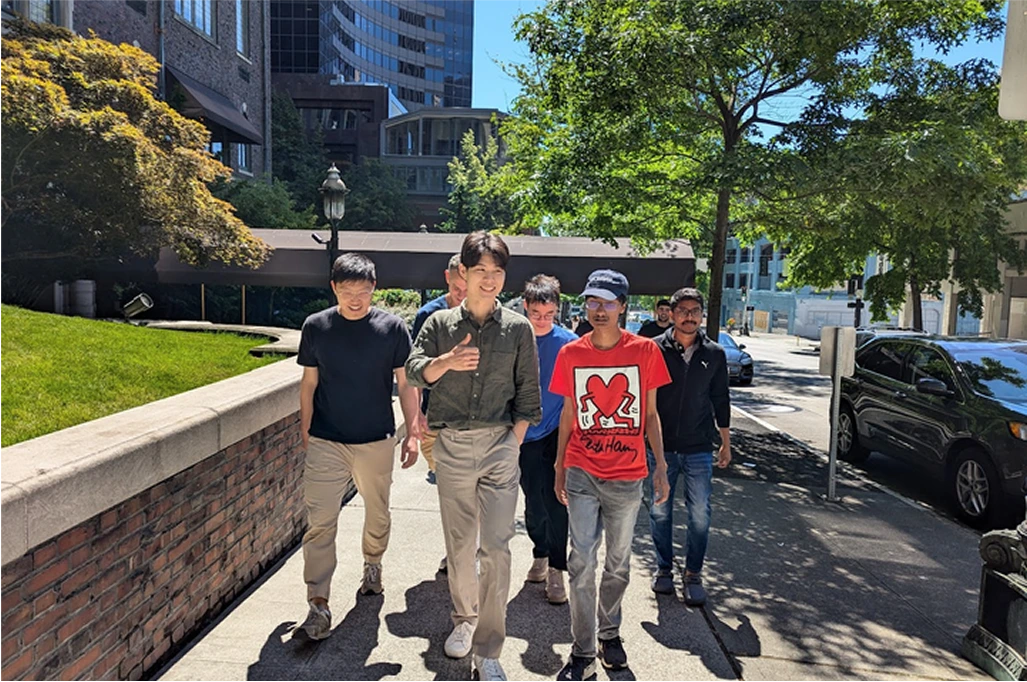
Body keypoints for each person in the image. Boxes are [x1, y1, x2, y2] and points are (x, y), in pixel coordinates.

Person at [406, 231, 541, 682]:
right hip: (454, 447)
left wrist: (513, 441)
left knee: (497, 548)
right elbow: (412, 371)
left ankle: (488, 648)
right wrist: (444, 363)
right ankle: (463, 620)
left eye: (497, 272)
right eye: (480, 270)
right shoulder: (440, 324)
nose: (489, 280)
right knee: (460, 546)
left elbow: (529, 396)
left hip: (501, 444)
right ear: (462, 273)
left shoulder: (519, 328)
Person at [550, 269, 671, 682]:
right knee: (581, 559)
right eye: (592, 302)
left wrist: (661, 468)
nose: (598, 310)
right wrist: (559, 465)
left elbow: (651, 414)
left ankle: (609, 632)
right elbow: (569, 413)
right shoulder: (571, 354)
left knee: (618, 563)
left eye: (606, 303)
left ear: (623, 306)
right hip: (582, 468)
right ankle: (582, 648)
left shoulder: (646, 352)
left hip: (628, 475)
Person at [295, 253, 421, 641]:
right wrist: (306, 429)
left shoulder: (393, 328)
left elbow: (405, 383)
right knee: (320, 521)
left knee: (377, 512)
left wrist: (413, 430)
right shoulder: (316, 327)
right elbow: (309, 384)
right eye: (347, 291)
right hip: (327, 438)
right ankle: (318, 602)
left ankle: (373, 562)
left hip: (375, 437)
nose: (355, 299)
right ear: (334, 288)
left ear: (374, 289)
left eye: (363, 291)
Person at [646, 287, 731, 606]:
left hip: (698, 448)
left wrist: (725, 441)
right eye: (683, 310)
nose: (689, 316)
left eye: (695, 310)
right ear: (671, 312)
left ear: (702, 314)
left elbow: (721, 399)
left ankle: (693, 573)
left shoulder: (714, 354)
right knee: (659, 511)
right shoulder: (653, 349)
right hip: (660, 448)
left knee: (699, 514)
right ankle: (664, 569)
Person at [520, 275, 577, 604]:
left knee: (557, 500)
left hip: (558, 430)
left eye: (549, 314)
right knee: (533, 502)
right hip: (523, 432)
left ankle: (557, 569)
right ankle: (539, 552)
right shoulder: (514, 336)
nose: (542, 320)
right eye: (536, 313)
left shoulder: (569, 342)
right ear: (525, 307)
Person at [411, 254, 468, 486]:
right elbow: (414, 367)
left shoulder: (483, 314)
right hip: (435, 414)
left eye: (467, 289)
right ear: (447, 277)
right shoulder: (428, 315)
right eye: (457, 287)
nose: (462, 294)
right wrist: (416, 415)